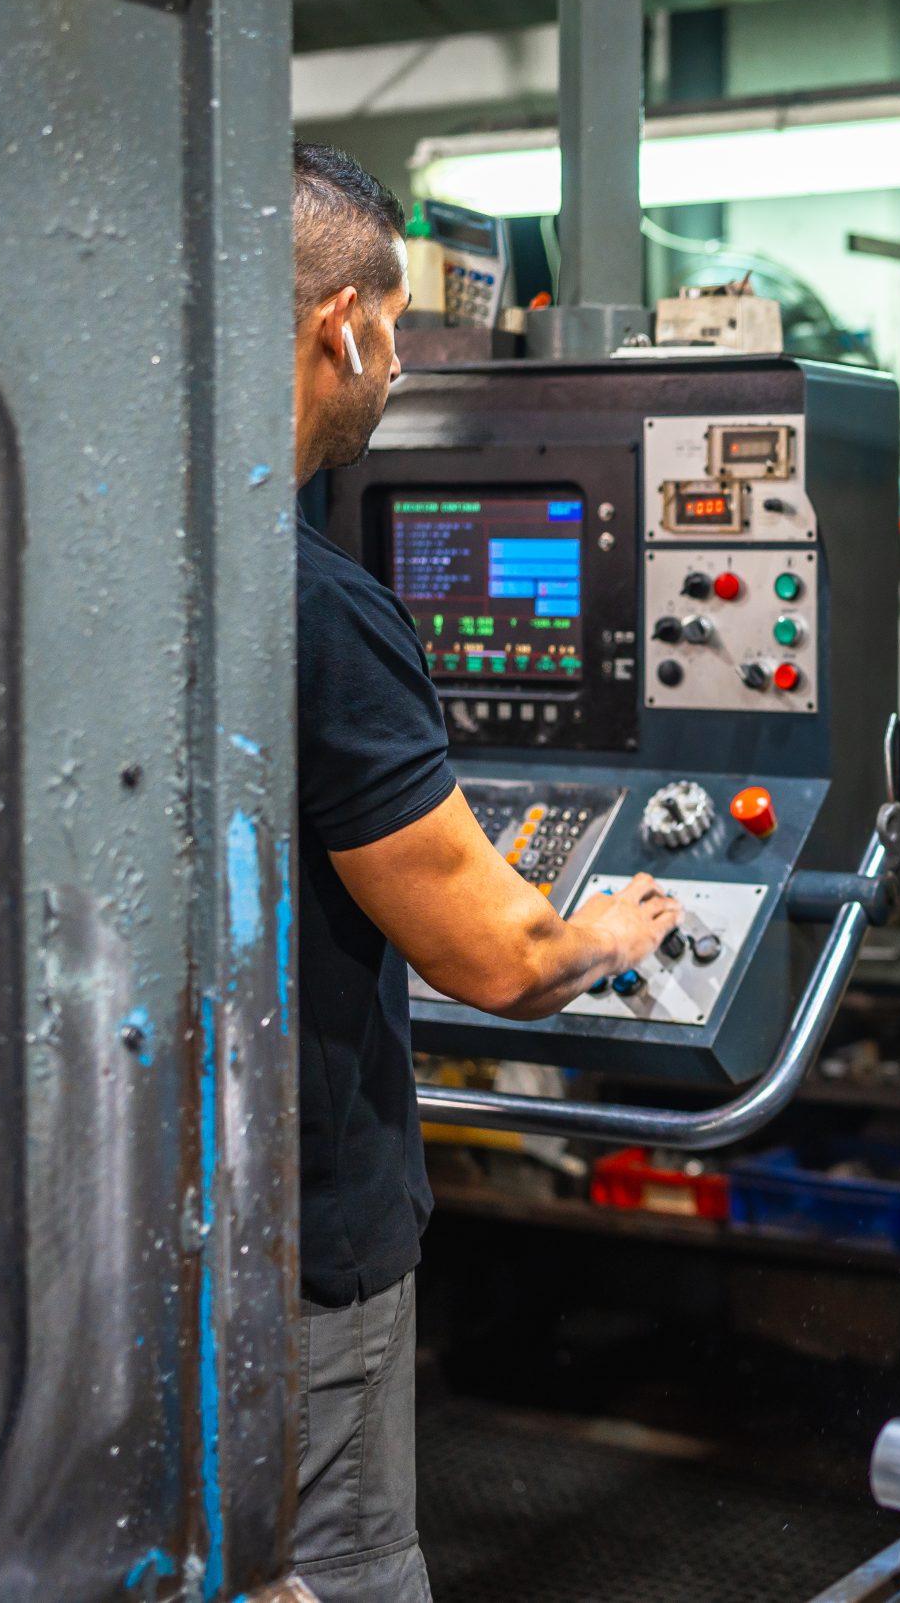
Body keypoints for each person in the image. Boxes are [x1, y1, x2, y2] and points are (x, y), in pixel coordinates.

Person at [286, 141, 680, 1602]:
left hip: (98, 1215)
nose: (394, 371)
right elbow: (500, 957)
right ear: (346, 327)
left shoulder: (35, 556)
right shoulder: (328, 615)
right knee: (330, 1566)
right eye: (394, 334)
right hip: (301, 1232)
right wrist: (616, 926)